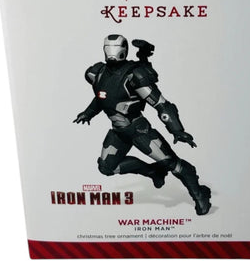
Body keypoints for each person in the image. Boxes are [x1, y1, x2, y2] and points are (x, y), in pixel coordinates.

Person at [74, 34, 211, 215]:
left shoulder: (134, 75)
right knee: (106, 168)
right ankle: (153, 172)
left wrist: (177, 130)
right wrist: (88, 113)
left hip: (139, 130)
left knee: (172, 164)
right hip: (118, 132)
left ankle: (200, 194)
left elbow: (161, 104)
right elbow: (103, 97)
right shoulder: (97, 73)